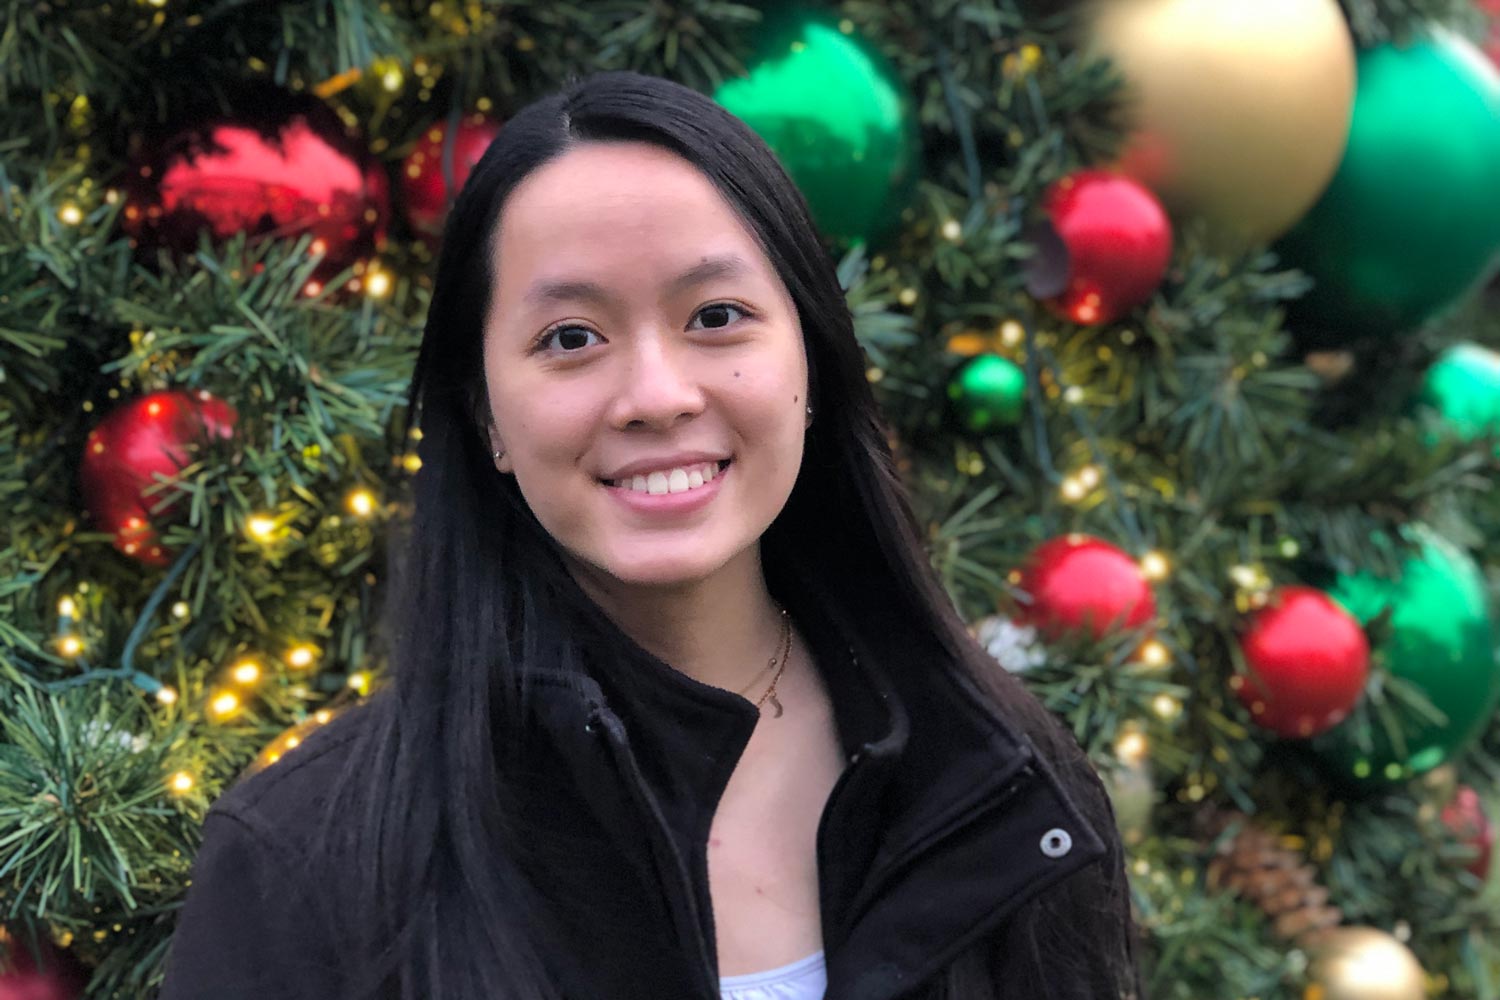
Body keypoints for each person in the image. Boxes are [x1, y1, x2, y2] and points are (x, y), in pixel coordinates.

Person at [159, 70, 1145, 1000]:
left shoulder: (1000, 789)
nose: (657, 397)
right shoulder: (307, 862)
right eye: (571, 338)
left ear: (811, 363)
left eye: (717, 316)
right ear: (487, 416)